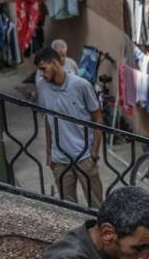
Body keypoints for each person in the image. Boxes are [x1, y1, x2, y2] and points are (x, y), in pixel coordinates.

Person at [34, 46, 105, 207]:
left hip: (84, 155)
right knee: (68, 209)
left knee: (96, 205)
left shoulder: (81, 85)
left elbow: (98, 119)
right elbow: (48, 119)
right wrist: (49, 153)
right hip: (60, 159)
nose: (42, 74)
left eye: (43, 69)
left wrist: (94, 153)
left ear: (55, 63)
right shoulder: (42, 86)